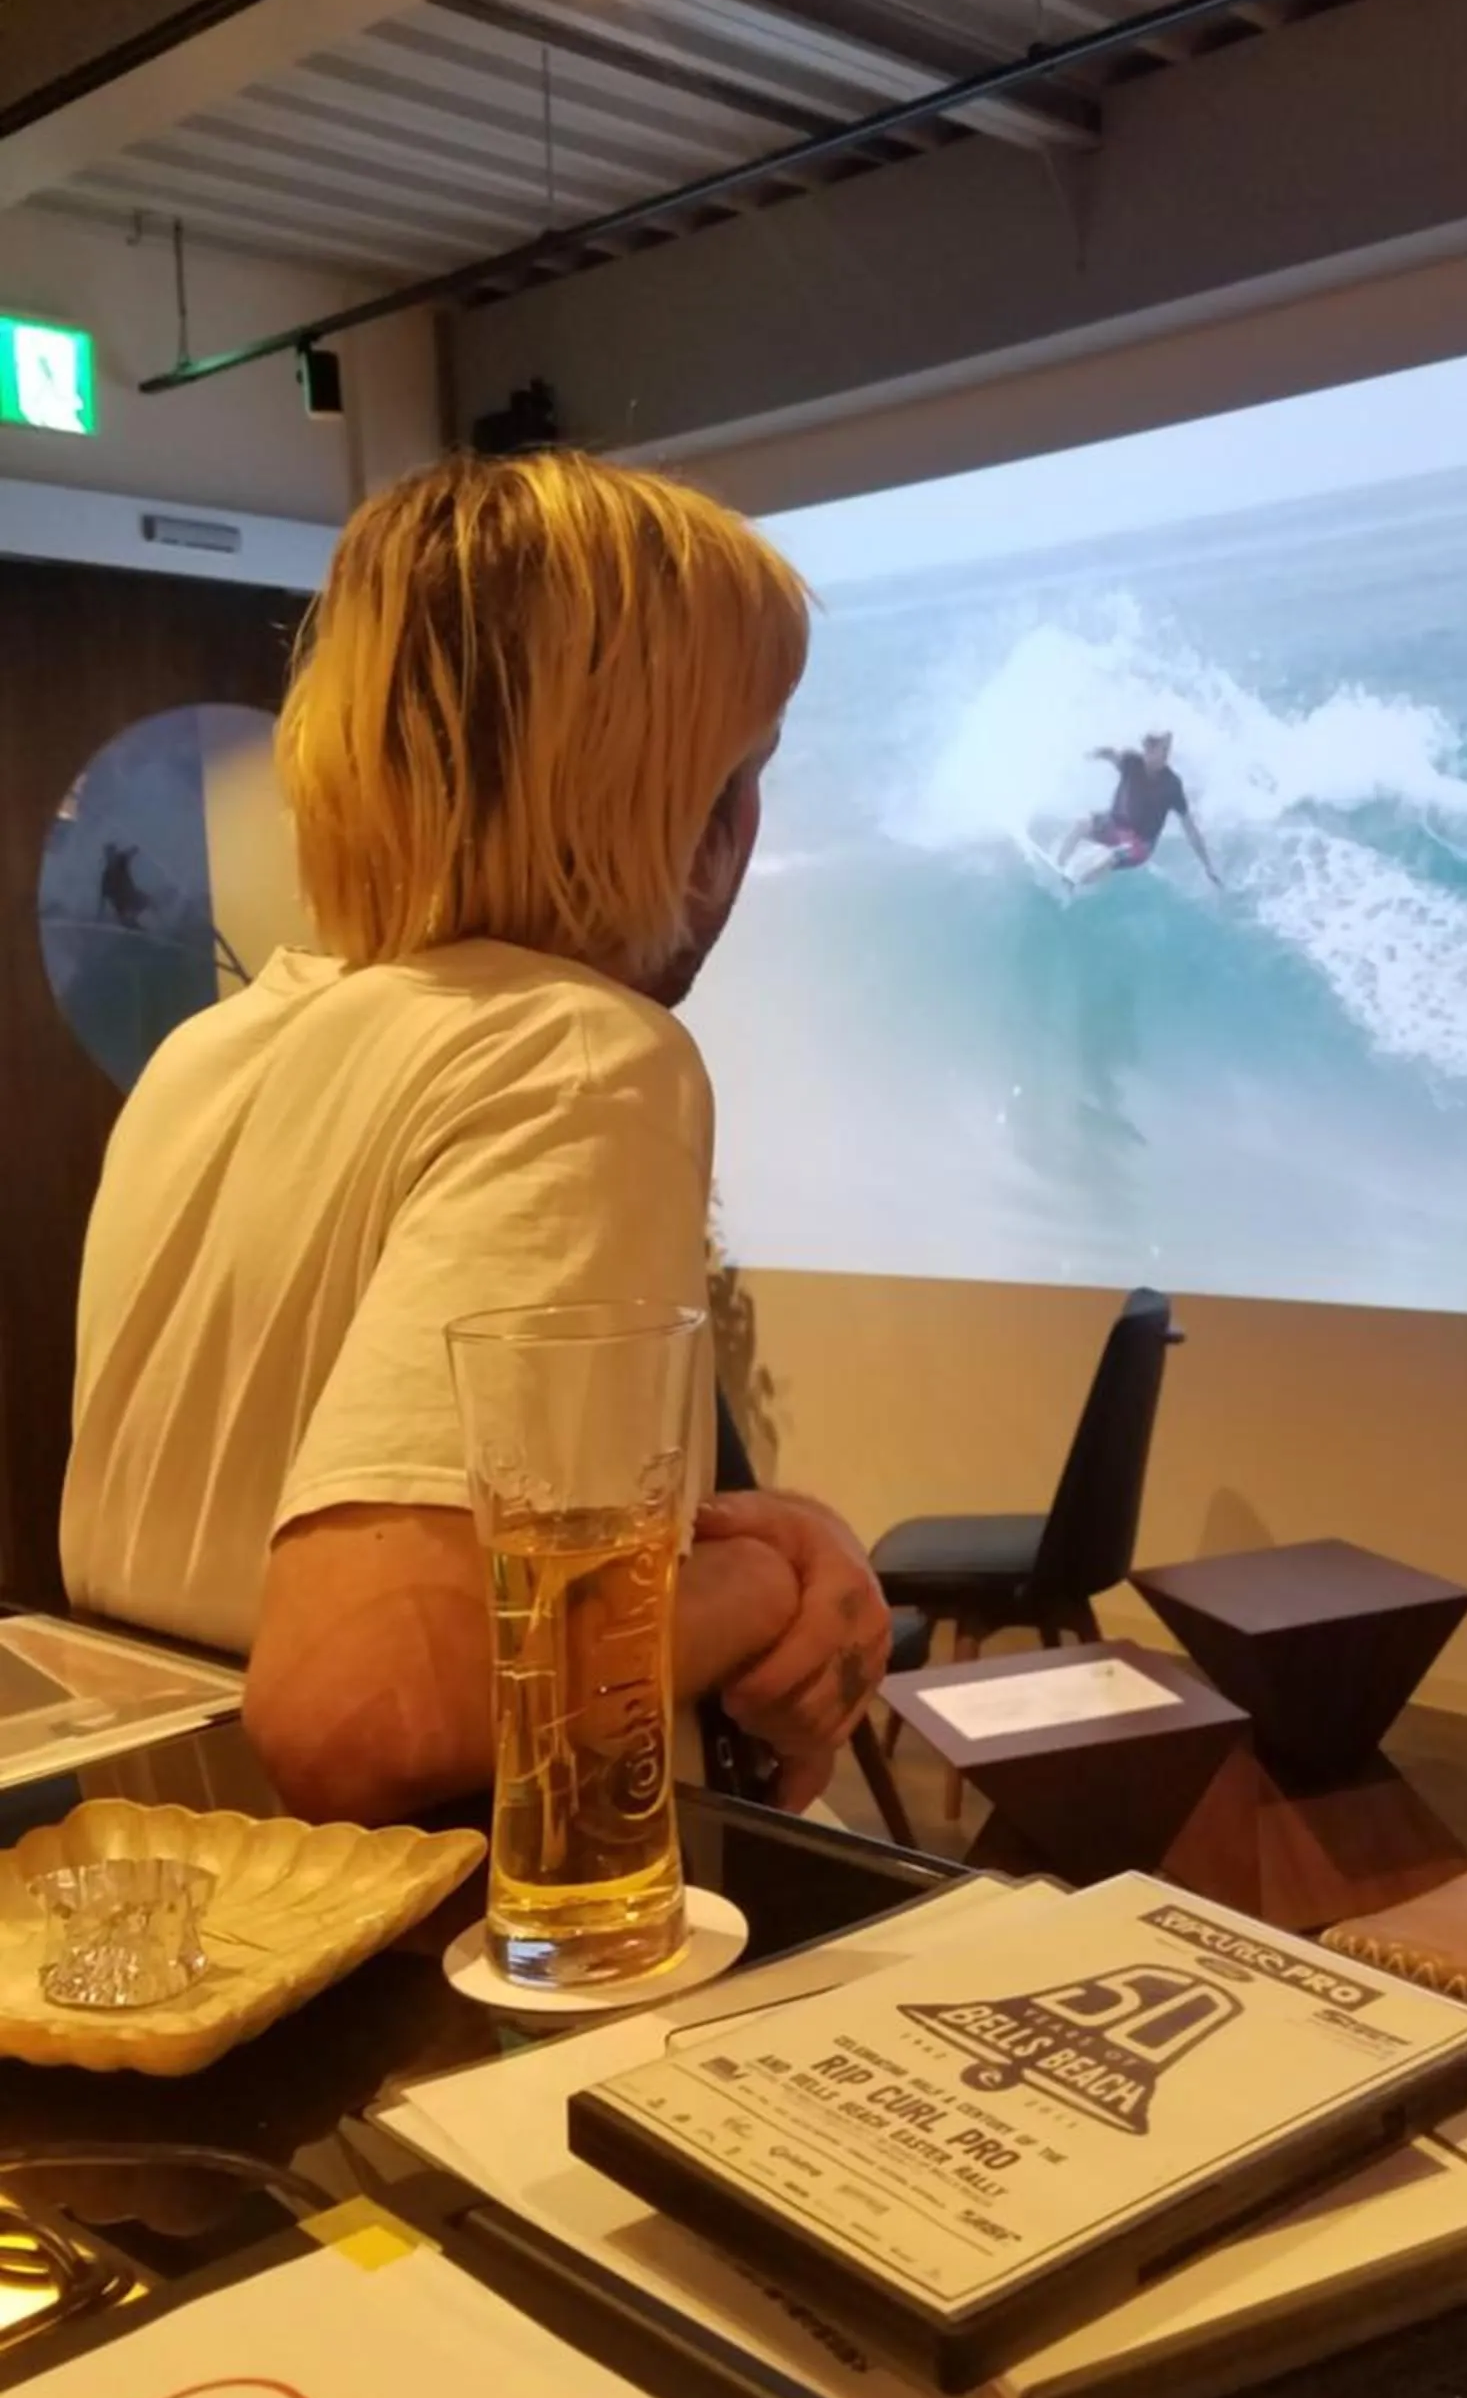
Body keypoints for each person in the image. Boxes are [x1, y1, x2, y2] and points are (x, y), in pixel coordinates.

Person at [61, 452, 887, 1828]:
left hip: (185, 1924)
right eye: (740, 772)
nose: (744, 830)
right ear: (671, 803)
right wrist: (767, 1586)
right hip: (456, 1974)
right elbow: (367, 1701)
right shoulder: (574, 1054)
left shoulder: (206, 1060)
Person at [1060, 729, 1222, 890]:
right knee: (1082, 824)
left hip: (1140, 844)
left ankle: (1075, 882)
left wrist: (1207, 865)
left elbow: (1189, 828)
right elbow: (1110, 754)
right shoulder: (1131, 762)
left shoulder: (1171, 785)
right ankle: (1059, 864)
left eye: (1167, 750)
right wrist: (1089, 754)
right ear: (1148, 750)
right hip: (1114, 824)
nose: (1166, 755)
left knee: (1111, 856)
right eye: (1162, 750)